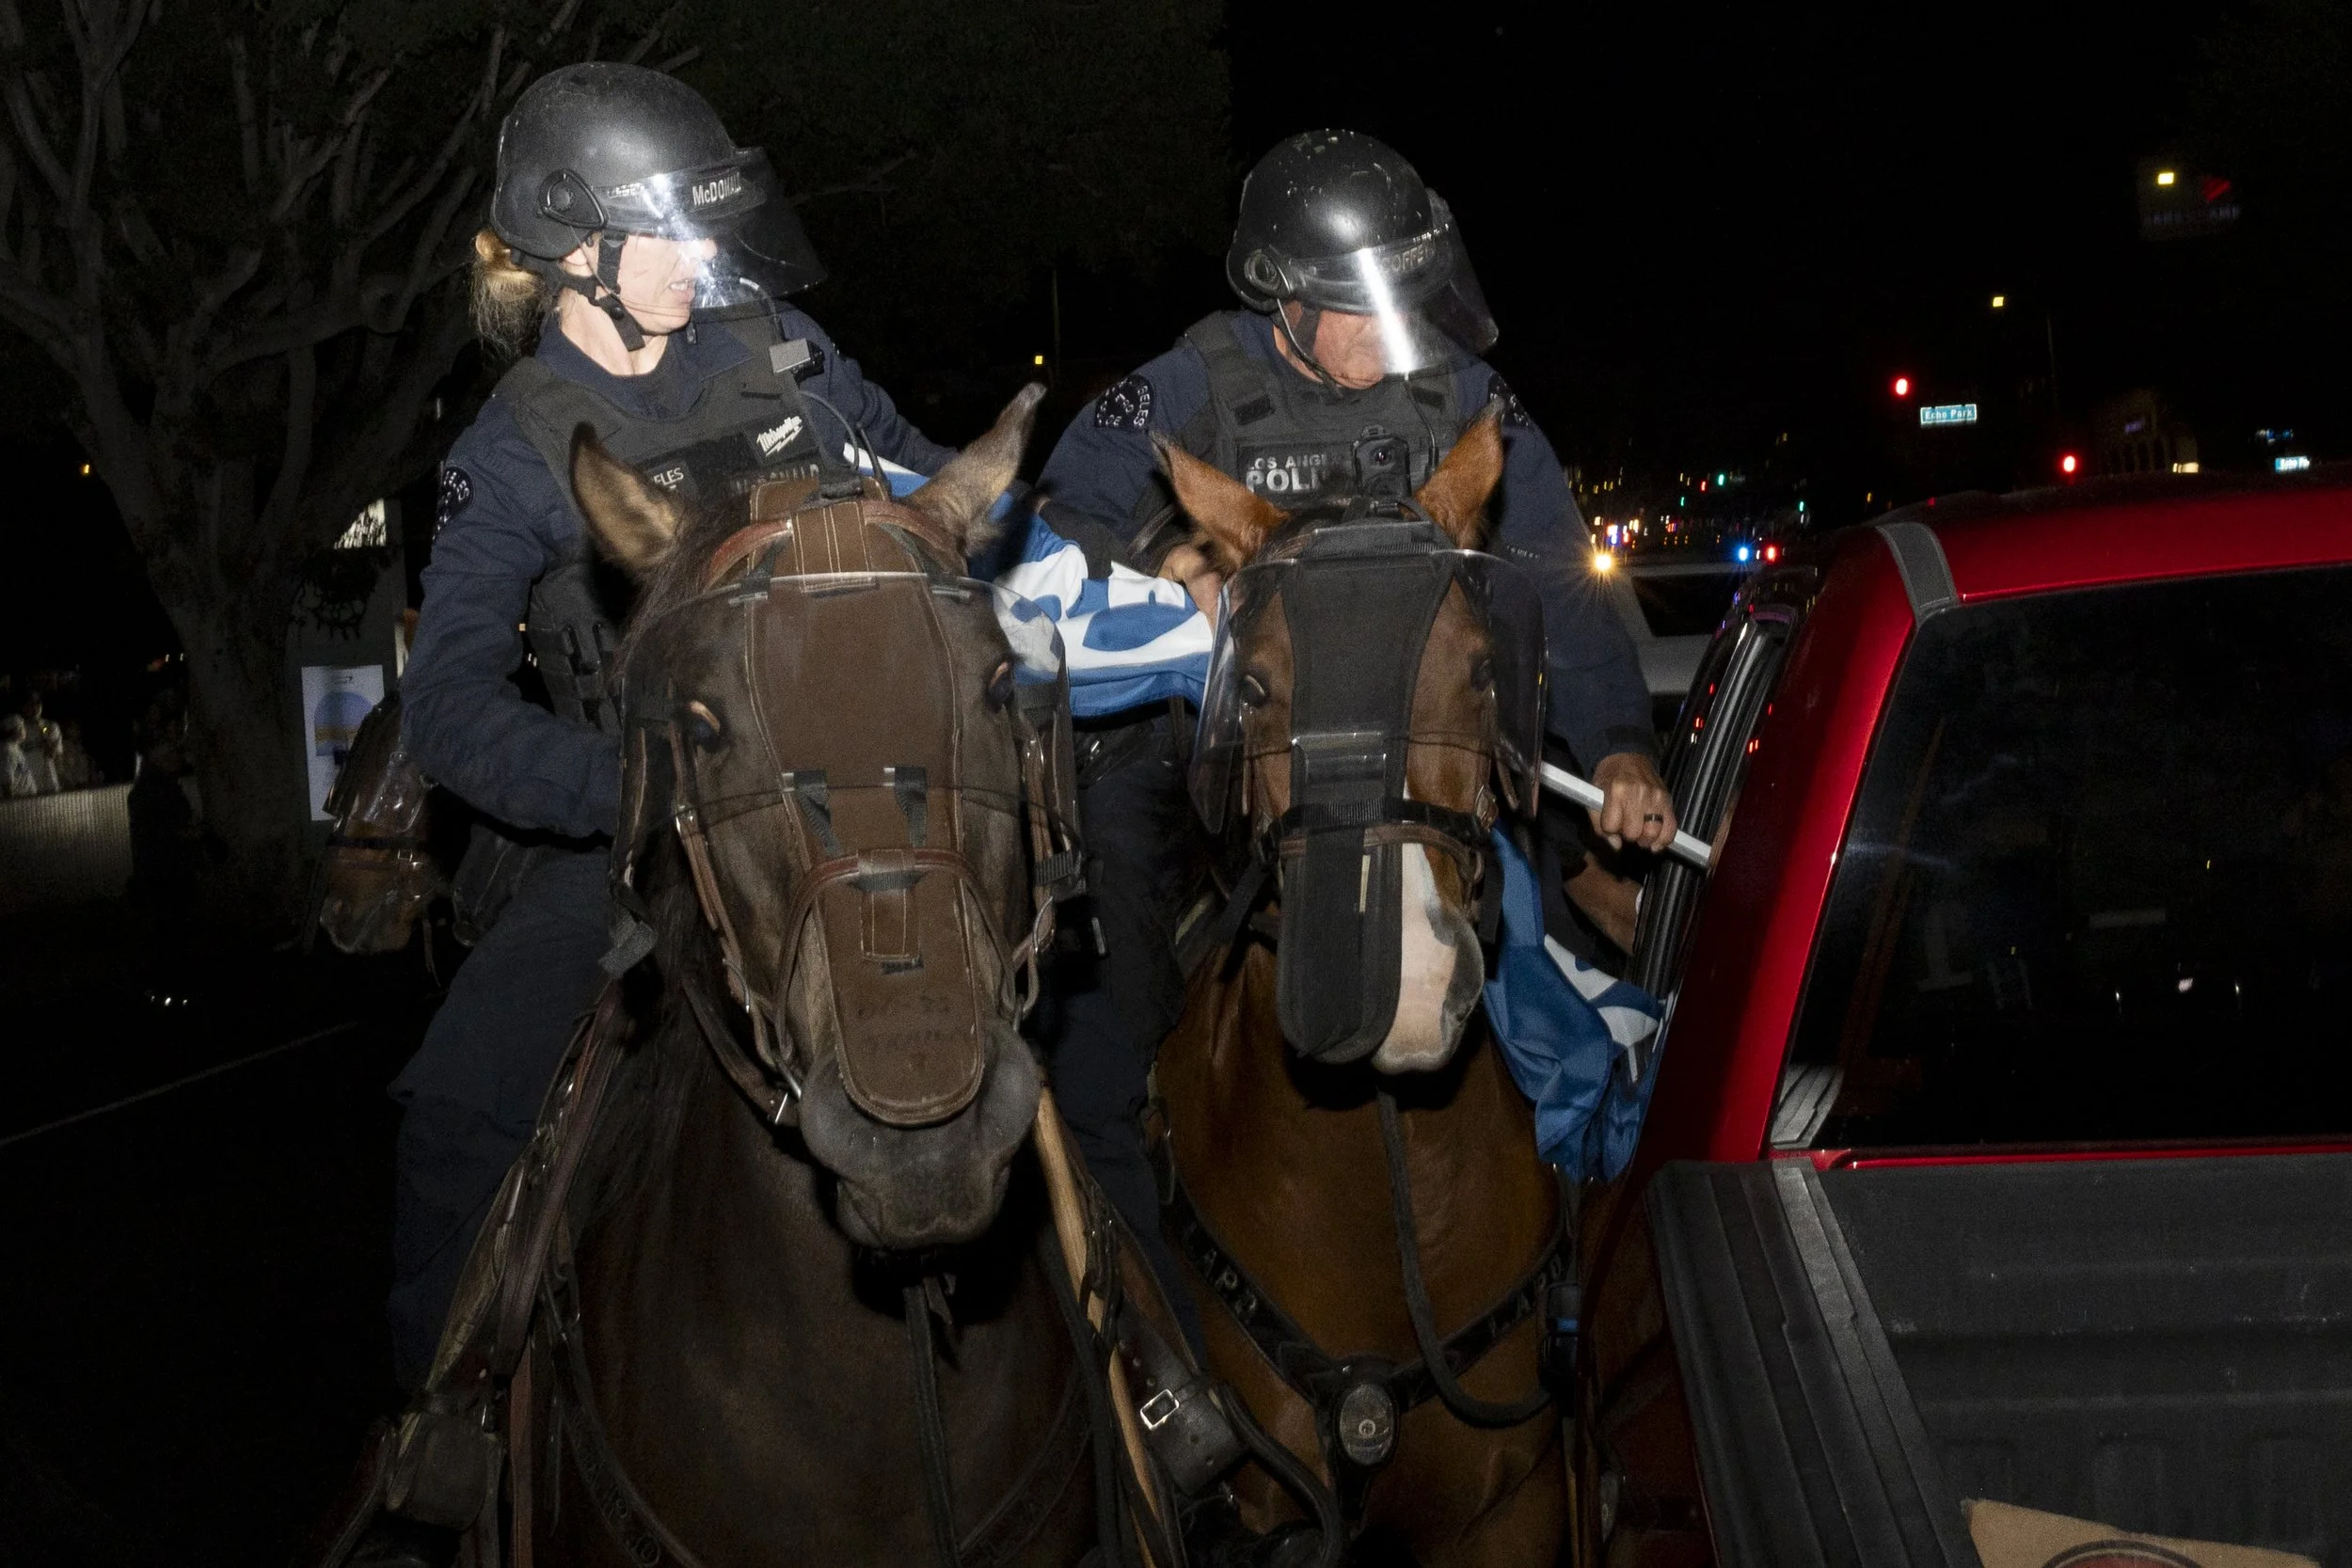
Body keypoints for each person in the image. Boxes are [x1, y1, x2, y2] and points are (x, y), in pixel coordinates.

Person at [1026, 129, 1680, 1289]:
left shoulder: (1466, 395)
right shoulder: (1185, 385)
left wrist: (1621, 743)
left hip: (1416, 750)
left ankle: (1586, 1267)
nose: (1396, 331)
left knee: (1566, 946)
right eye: (1364, 306)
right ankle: (1132, 1294)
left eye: (1407, 299)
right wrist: (1167, 565)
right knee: (1105, 1001)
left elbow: (1548, 575)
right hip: (1224, 744)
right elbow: (1057, 521)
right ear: (1283, 298)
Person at [389, 62, 955, 1387]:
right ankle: (443, 1433)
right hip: (631, 833)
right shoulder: (509, 449)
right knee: (458, 1108)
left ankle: (1133, 1374)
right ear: (576, 252)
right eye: (671, 231)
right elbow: (450, 709)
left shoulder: (786, 354)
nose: (706, 257)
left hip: (856, 793)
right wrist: (628, 778)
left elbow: (943, 504)